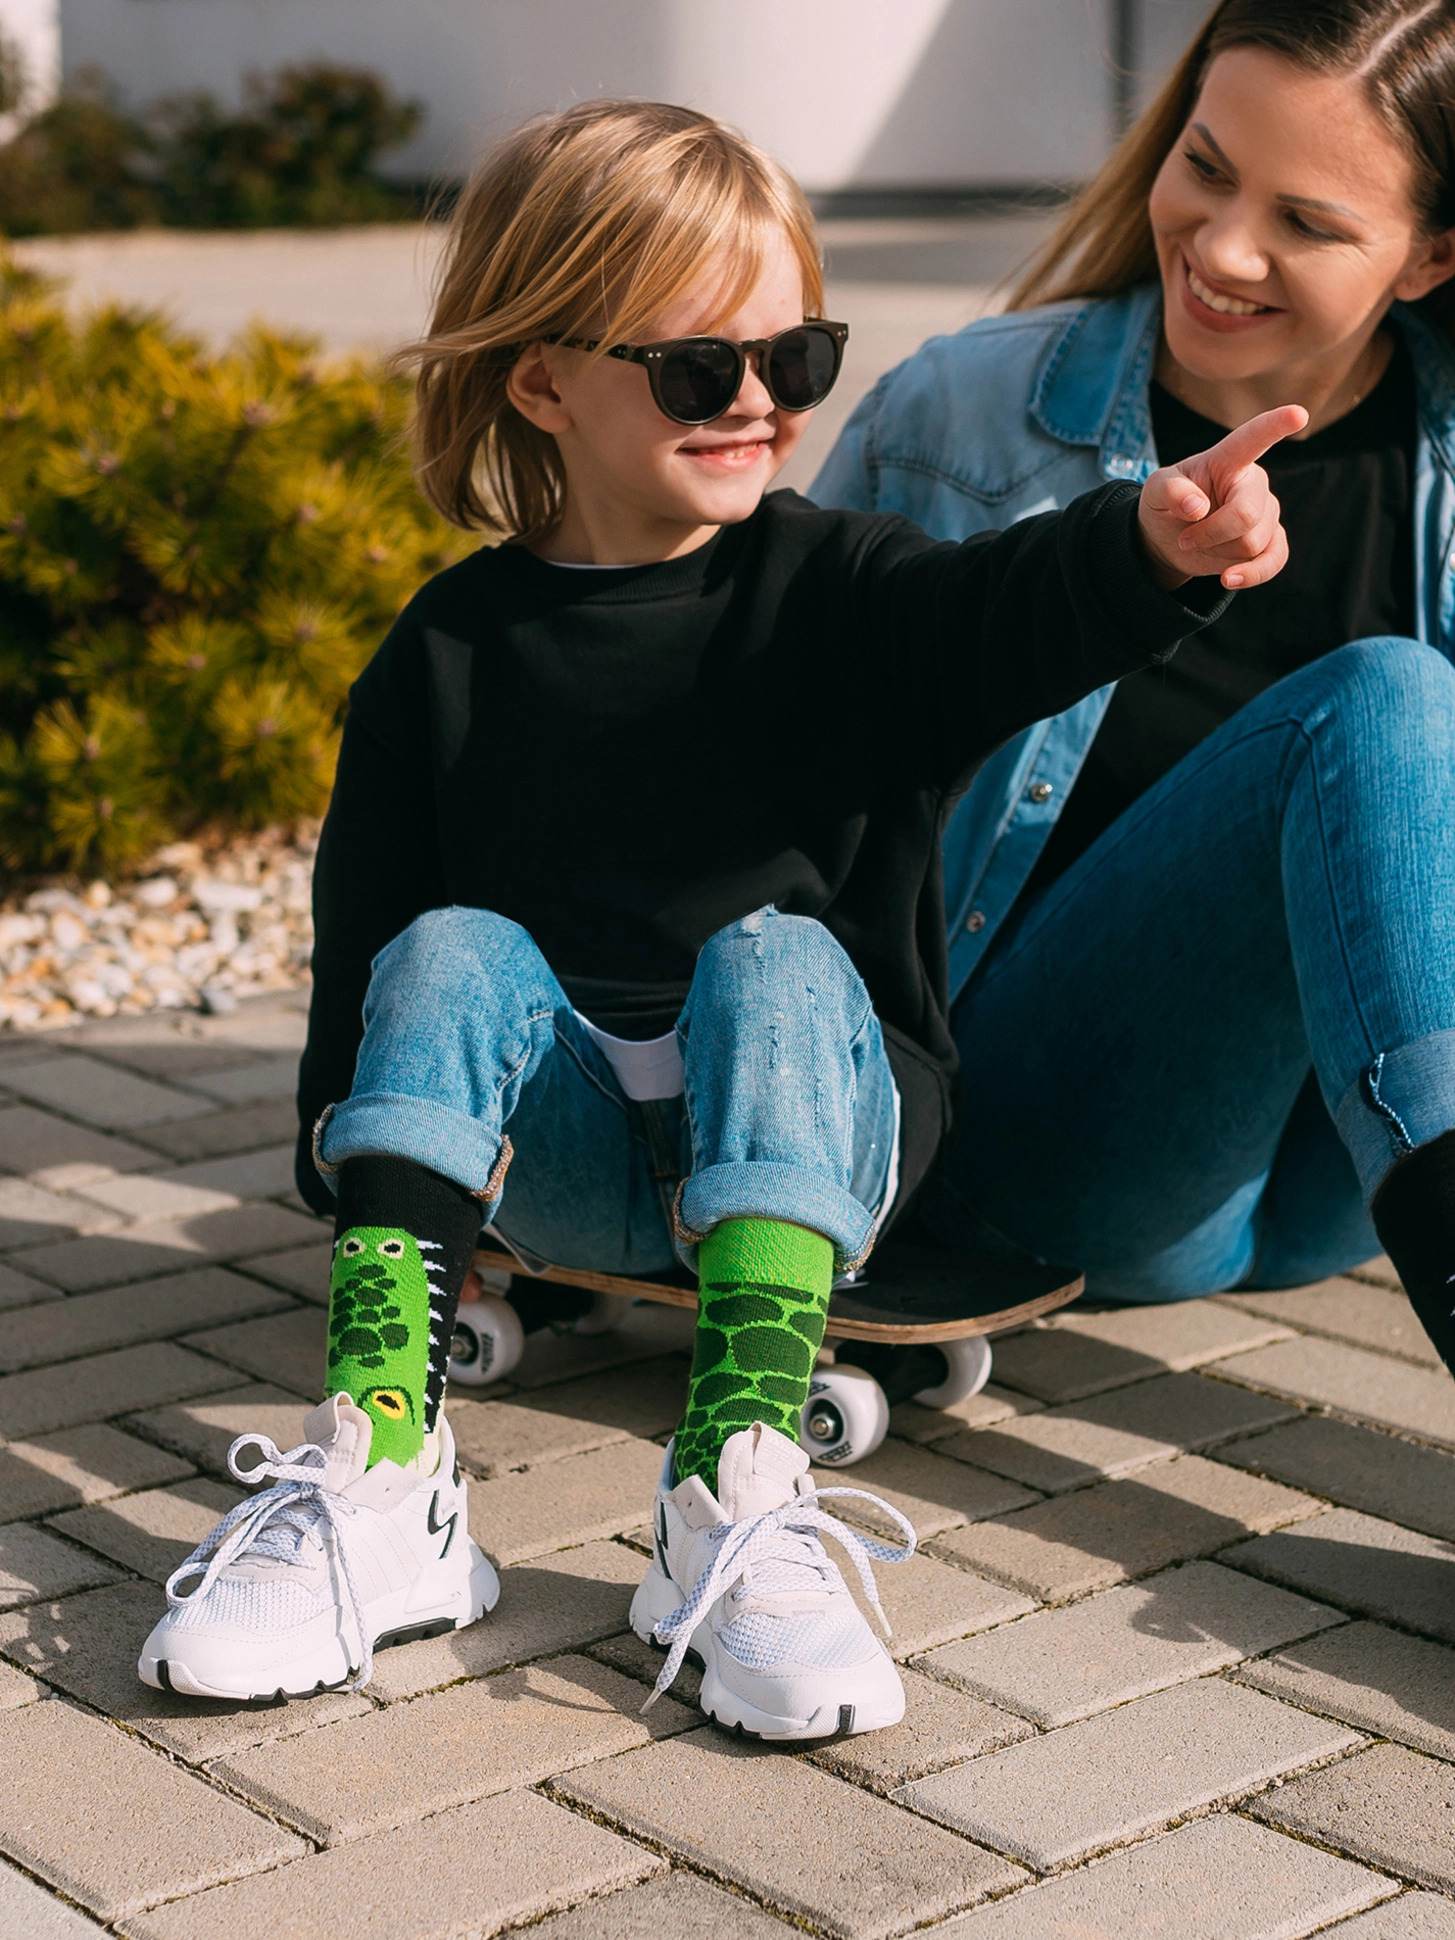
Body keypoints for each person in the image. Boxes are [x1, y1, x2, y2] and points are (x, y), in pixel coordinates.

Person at [135, 99, 1294, 1740]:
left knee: (777, 952)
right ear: (543, 380)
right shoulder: (445, 658)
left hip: (813, 1135)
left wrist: (1146, 548)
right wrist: (362, 1184)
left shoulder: (844, 593)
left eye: (794, 357)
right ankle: (384, 1484)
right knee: (448, 947)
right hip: (562, 1172)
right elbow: (368, 960)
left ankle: (734, 1495)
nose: (757, 403)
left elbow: (1002, 614)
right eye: (697, 368)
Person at [813, 0, 1455, 1371]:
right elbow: (770, 780)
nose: (1223, 250)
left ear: (1434, 256)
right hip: (1073, 1169)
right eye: (1207, 168)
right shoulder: (964, 419)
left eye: (1310, 221)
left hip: (1344, 1193)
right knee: (1381, 700)